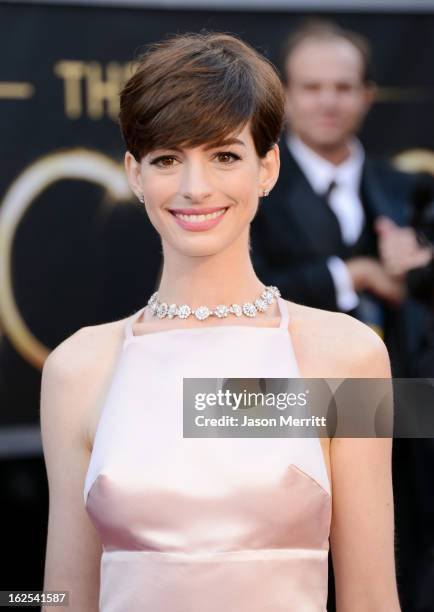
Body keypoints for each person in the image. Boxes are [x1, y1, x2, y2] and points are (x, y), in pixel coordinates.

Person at [40, 32, 400, 611]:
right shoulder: (76, 367)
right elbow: (61, 597)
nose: (194, 188)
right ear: (135, 174)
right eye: (166, 159)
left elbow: (371, 597)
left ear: (267, 167)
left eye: (224, 155)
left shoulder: (346, 354)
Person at [250, 19, 424, 378]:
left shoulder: (410, 189)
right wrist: (352, 276)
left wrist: (421, 260)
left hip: (404, 406)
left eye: (343, 88)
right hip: (283, 401)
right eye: (312, 88)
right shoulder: (252, 189)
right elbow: (237, 295)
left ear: (366, 96)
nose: (328, 102)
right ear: (285, 96)